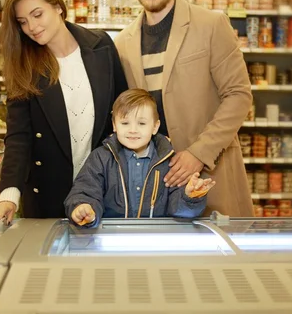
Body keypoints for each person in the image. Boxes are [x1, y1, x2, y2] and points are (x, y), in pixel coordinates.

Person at [114, 0, 253, 217]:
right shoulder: (123, 42)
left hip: (212, 177)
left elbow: (238, 96)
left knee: (219, 258)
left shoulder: (211, 25)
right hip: (155, 187)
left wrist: (198, 153)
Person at [0, 0, 127, 227]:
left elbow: (122, 109)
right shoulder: (23, 64)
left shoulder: (101, 46)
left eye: (37, 14)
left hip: (102, 189)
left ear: (58, 6)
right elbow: (18, 136)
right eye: (23, 22)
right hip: (47, 197)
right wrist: (8, 196)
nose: (32, 27)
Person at [64, 89, 215, 226]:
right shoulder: (100, 158)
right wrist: (83, 207)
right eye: (125, 123)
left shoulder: (170, 161)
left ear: (155, 127)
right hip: (111, 240)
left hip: (156, 242)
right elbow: (85, 190)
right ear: (114, 125)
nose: (133, 130)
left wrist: (190, 197)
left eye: (142, 123)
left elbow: (181, 212)